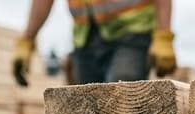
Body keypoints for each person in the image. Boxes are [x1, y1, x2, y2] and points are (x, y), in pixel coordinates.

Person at [13, 0, 177, 86]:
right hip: (86, 36)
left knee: (122, 100)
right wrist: (27, 40)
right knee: (86, 111)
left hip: (132, 31)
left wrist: (163, 35)